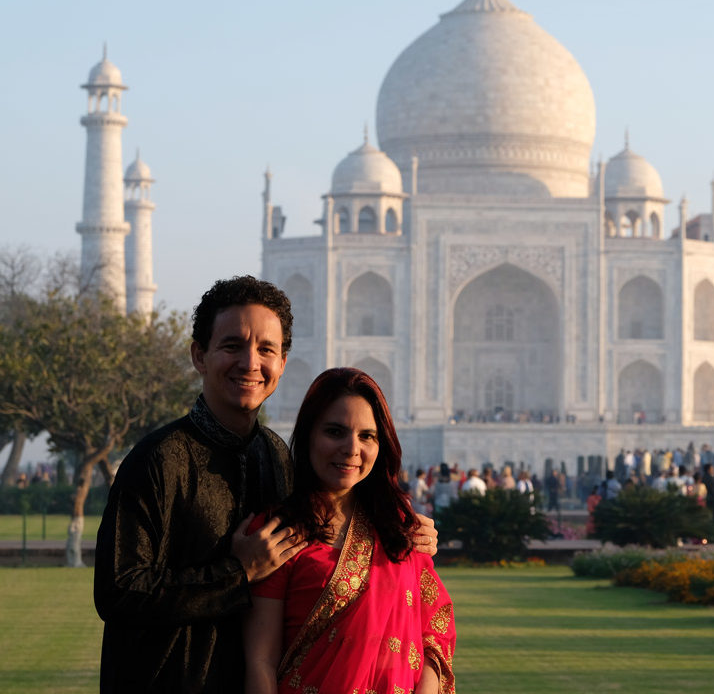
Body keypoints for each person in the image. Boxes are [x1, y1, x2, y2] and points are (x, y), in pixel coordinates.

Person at [94, 275, 441, 693]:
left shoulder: (275, 455)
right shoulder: (160, 459)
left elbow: (331, 518)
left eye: (266, 350)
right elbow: (119, 591)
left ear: (283, 363)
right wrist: (236, 574)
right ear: (199, 356)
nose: (250, 363)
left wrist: (407, 530)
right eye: (232, 346)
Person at [243, 368, 455, 694]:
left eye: (366, 436)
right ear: (309, 434)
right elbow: (261, 660)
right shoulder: (279, 532)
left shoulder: (399, 527)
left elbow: (433, 628)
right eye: (335, 431)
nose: (351, 448)